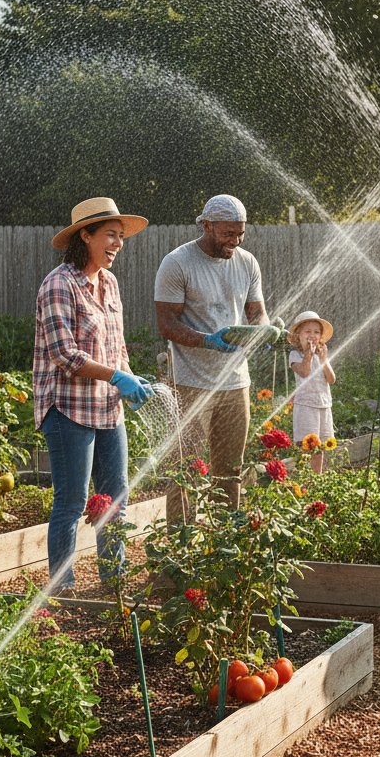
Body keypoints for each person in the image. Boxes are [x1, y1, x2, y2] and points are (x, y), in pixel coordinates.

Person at [33, 197, 154, 596]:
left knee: (115, 495)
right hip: (68, 408)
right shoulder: (58, 284)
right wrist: (116, 375)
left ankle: (113, 580)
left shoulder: (110, 283)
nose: (118, 243)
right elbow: (65, 355)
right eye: (110, 235)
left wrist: (130, 378)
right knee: (72, 501)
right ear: (85, 236)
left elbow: (117, 347)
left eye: (121, 237)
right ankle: (62, 587)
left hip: (107, 409)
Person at [154, 194, 270, 522]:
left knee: (230, 470)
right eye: (228, 234)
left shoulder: (247, 262)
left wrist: (262, 331)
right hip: (191, 383)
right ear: (207, 225)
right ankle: (180, 549)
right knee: (187, 469)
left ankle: (223, 547)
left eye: (240, 234)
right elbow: (166, 322)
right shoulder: (178, 263)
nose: (235, 241)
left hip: (236, 384)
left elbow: (257, 312)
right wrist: (207, 341)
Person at [287, 311, 336, 473]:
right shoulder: (295, 355)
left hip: (323, 405)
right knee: (308, 444)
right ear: (297, 336)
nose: (312, 336)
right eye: (307, 332)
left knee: (320, 445)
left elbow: (331, 379)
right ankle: (305, 478)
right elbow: (304, 372)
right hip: (306, 406)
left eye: (316, 332)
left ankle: (317, 476)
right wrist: (307, 356)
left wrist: (323, 360)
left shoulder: (321, 356)